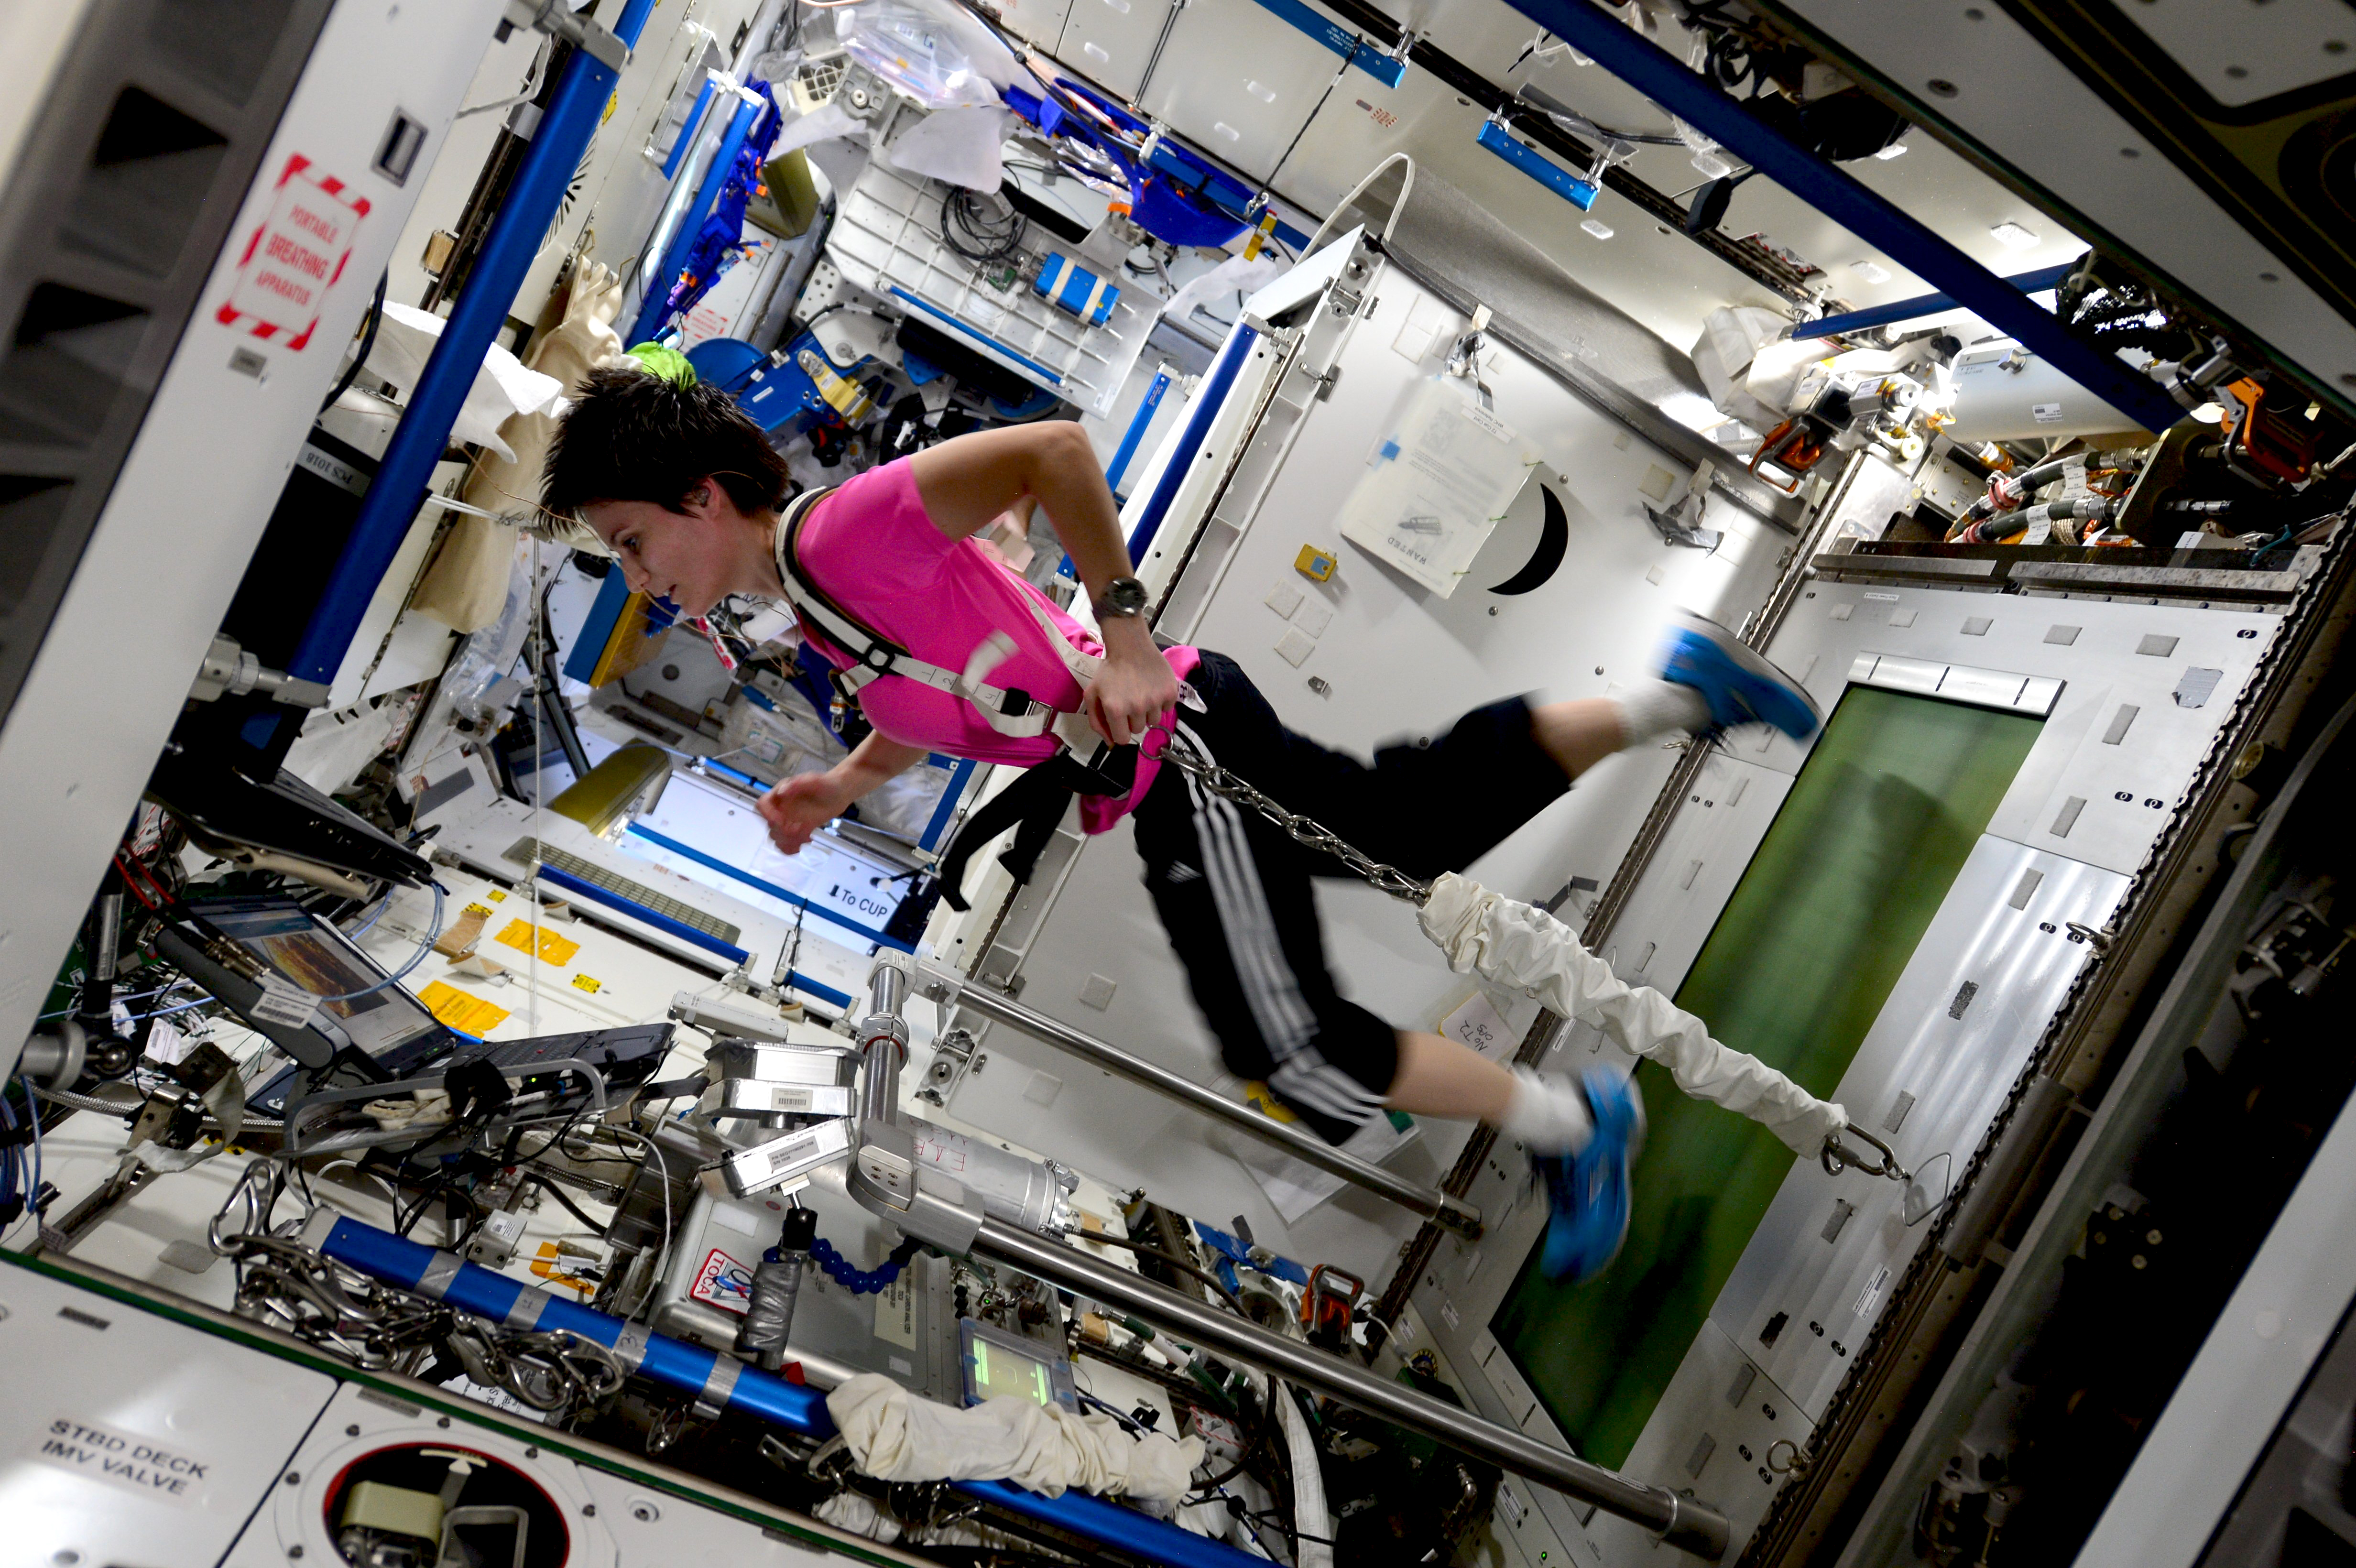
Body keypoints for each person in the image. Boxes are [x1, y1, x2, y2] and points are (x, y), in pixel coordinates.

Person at [542, 366, 1821, 1282]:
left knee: (1294, 1043)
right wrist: (840, 786)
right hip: (1167, 748)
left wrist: (1131, 631)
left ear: (705, 498)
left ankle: (1568, 1123)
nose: (643, 584)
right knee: (1408, 814)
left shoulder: (842, 533)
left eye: (635, 544)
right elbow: (938, 699)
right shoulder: (816, 606)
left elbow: (1054, 450)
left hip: (1174, 753)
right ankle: (1681, 698)